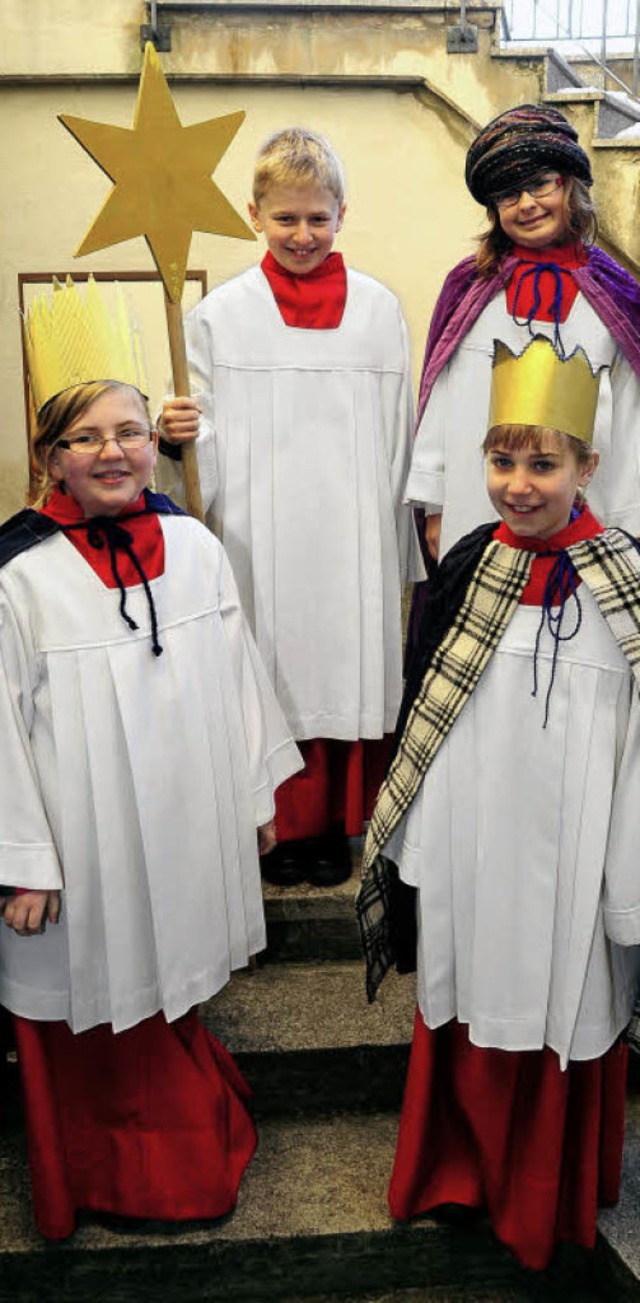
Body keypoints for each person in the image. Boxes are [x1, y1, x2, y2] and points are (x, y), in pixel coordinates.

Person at [0, 276, 302, 1240]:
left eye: (128, 430)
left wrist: (256, 793)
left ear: (154, 438)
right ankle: (103, 1170)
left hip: (177, 825)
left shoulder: (195, 546)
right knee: (93, 1002)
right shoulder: (19, 574)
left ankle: (182, 1148)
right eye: (85, 437)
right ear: (49, 455)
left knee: (171, 978)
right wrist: (23, 864)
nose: (113, 452)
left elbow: (238, 676)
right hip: (74, 852)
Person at [357, 335, 640, 1271]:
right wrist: (421, 853)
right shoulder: (471, 565)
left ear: (587, 465)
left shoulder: (627, 580)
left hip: (579, 857)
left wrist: (625, 881)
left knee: (563, 1001)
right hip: (472, 847)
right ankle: (457, 1170)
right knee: (467, 995)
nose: (519, 483)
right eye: (501, 460)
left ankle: (539, 1198)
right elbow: (426, 717)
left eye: (543, 463)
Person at [158, 127, 422, 888]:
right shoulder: (219, 315)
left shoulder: (377, 310)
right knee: (267, 663)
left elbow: (397, 433)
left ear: (344, 213)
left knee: (344, 658)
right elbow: (197, 428)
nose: (302, 234)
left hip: (352, 528)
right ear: (253, 214)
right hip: (257, 530)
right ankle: (276, 827)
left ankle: (336, 826)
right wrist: (177, 433)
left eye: (318, 217)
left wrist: (396, 537)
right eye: (285, 218)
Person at [406, 103, 640, 567]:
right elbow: (442, 399)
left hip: (596, 511)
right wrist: (435, 507)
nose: (527, 204)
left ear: (570, 186)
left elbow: (633, 415)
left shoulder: (616, 294)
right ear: (494, 208)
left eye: (540, 184)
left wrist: (630, 522)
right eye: (509, 194)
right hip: (478, 506)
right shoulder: (469, 288)